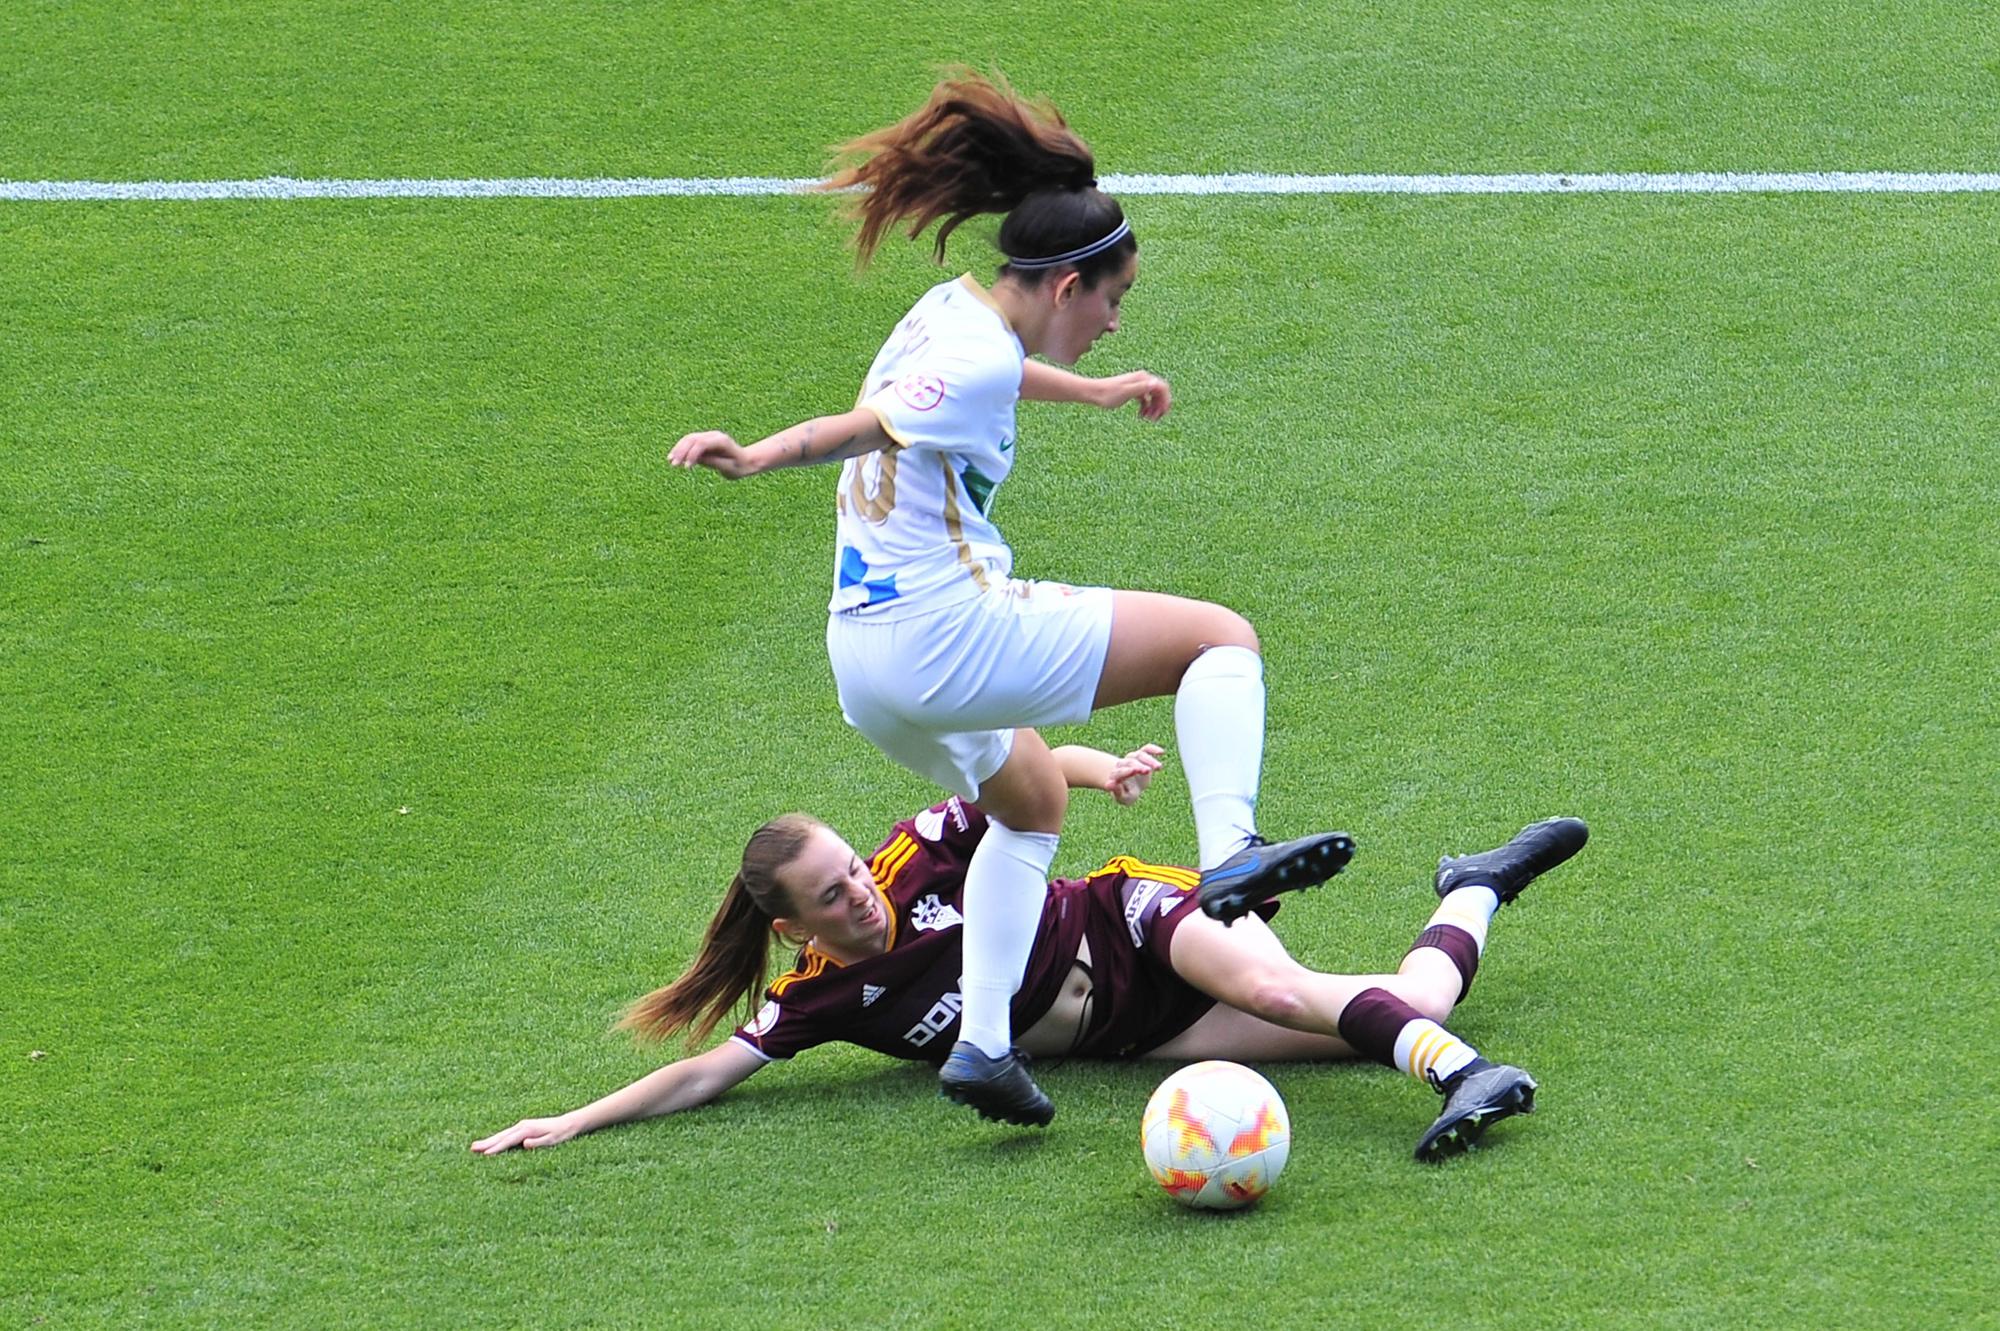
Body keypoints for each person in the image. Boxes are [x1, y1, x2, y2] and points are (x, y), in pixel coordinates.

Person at [667, 70, 1350, 1127]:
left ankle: (983, 1043)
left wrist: (1095, 391)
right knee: (1217, 640)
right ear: (1067, 284)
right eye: (1113, 302)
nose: (1116, 326)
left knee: (1027, 809)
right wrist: (754, 457)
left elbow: (987, 378)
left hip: (866, 669)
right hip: (949, 634)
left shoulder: (952, 315)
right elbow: (878, 427)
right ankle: (1229, 858)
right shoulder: (973, 362)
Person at [471, 743, 1588, 1163]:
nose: (859, 894)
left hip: (1122, 919)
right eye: (830, 897)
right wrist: (571, 1120)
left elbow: (1022, 776)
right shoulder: (822, 997)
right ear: (790, 930)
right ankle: (1478, 887)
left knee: (1276, 984)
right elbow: (707, 1071)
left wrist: (1099, 774)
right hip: (1134, 1034)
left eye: (852, 872)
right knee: (1381, 1004)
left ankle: (1460, 1074)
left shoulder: (916, 850)